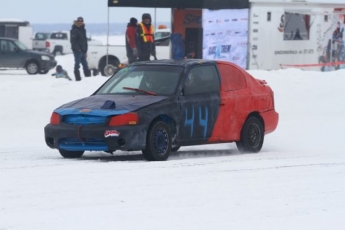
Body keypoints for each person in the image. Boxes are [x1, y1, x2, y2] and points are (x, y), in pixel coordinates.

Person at [70, 16, 91, 81]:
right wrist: (77, 49)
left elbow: (84, 40)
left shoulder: (83, 30)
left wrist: (85, 50)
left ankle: (88, 78)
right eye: (79, 21)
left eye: (81, 21)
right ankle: (78, 78)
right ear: (77, 22)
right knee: (77, 65)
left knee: (85, 65)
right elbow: (73, 41)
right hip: (77, 51)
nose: (80, 23)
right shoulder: (74, 30)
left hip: (83, 50)